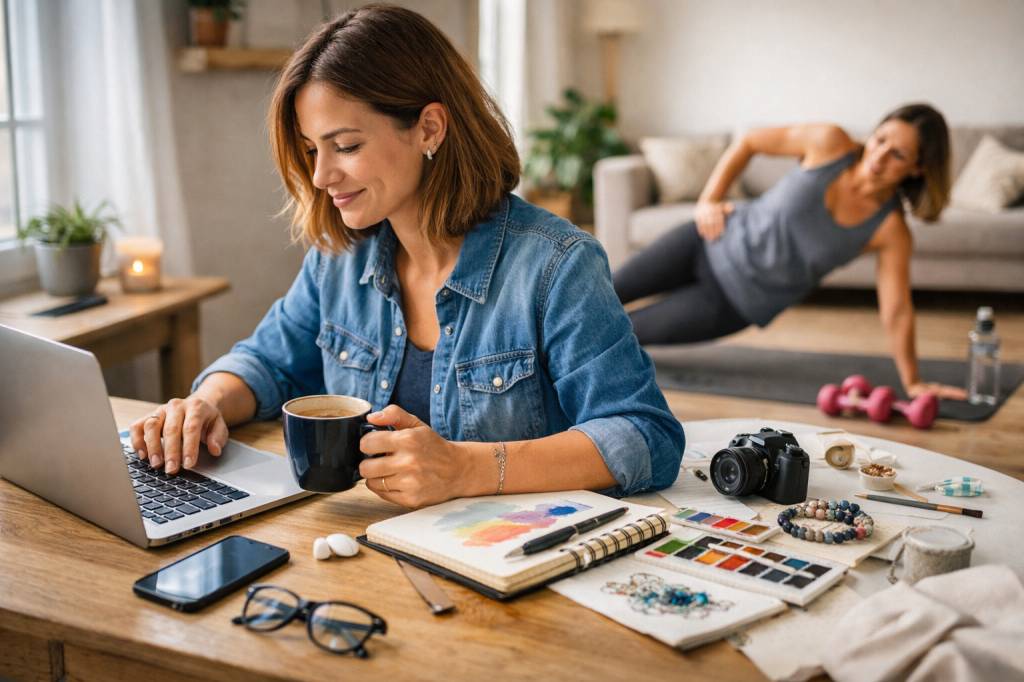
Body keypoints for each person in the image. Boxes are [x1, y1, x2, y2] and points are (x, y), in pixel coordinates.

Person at [129, 4, 684, 508]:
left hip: (509, 556)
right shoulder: (338, 259)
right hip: (360, 546)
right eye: (312, 150)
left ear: (429, 128)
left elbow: (644, 435)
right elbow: (268, 362)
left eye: (346, 146)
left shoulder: (556, 265)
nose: (321, 176)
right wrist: (206, 403)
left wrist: (465, 469)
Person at [614, 103, 967, 400]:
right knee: (600, 293)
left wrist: (912, 381)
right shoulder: (830, 142)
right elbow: (750, 141)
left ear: (918, 168)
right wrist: (709, 200)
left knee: (622, 333)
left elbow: (897, 310)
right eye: (881, 139)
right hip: (706, 240)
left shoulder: (890, 229)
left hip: (734, 302)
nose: (879, 155)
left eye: (898, 154)